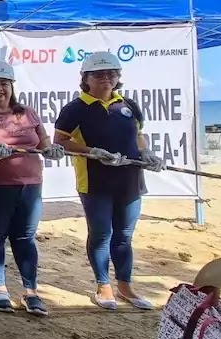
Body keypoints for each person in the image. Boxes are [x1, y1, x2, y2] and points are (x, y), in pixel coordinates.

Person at [53, 51, 164, 311]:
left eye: (112, 74)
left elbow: (138, 136)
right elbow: (61, 142)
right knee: (102, 234)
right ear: (86, 78)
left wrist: (146, 152)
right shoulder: (74, 109)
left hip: (130, 179)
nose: (106, 78)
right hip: (95, 182)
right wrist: (92, 152)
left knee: (124, 235)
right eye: (99, 74)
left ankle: (125, 286)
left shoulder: (128, 105)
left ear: (118, 77)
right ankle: (103, 285)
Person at [0, 61, 66, 316]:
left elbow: (43, 140)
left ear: (12, 87)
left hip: (30, 185)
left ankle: (31, 292)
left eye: (4, 84)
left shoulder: (28, 113)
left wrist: (51, 149)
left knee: (25, 238)